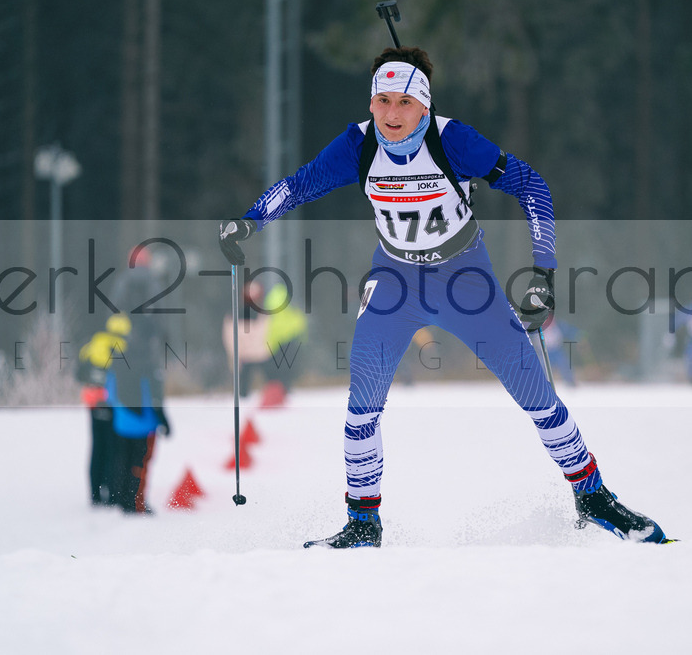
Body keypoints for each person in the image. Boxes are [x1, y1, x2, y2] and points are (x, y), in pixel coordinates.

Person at [219, 46, 669, 546]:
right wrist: (248, 221)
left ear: (424, 106)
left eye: (404, 103)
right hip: (393, 282)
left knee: (536, 394)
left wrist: (543, 270)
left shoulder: (453, 140)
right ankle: (362, 523)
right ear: (370, 103)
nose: (391, 114)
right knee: (361, 406)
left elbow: (531, 186)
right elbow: (299, 185)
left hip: (465, 279)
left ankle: (593, 496)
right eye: (382, 101)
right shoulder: (357, 145)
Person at [103, 257, 171, 515]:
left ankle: (119, 497)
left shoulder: (120, 287)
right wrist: (162, 412)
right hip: (142, 398)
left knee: (120, 453)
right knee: (141, 455)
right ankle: (135, 501)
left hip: (121, 394)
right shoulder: (153, 287)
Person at [76, 312, 132, 506]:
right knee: (112, 448)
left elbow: (79, 373)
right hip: (111, 403)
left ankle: (94, 493)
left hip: (92, 403)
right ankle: (111, 493)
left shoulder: (93, 343)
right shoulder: (122, 347)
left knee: (96, 447)